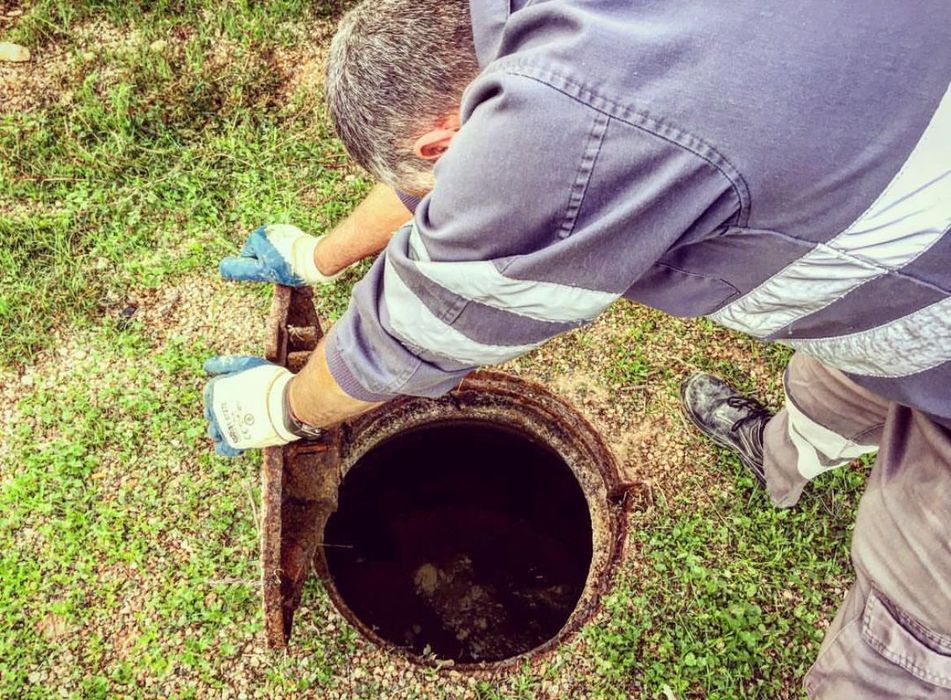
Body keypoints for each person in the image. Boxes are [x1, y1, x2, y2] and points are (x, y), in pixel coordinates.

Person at [203, 1, 951, 696]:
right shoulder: (534, 31)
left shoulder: (566, 136)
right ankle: (781, 456)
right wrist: (318, 258)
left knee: (905, 637)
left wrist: (279, 407)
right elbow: (455, 168)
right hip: (903, 246)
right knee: (840, 382)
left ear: (445, 143)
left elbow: (411, 331)